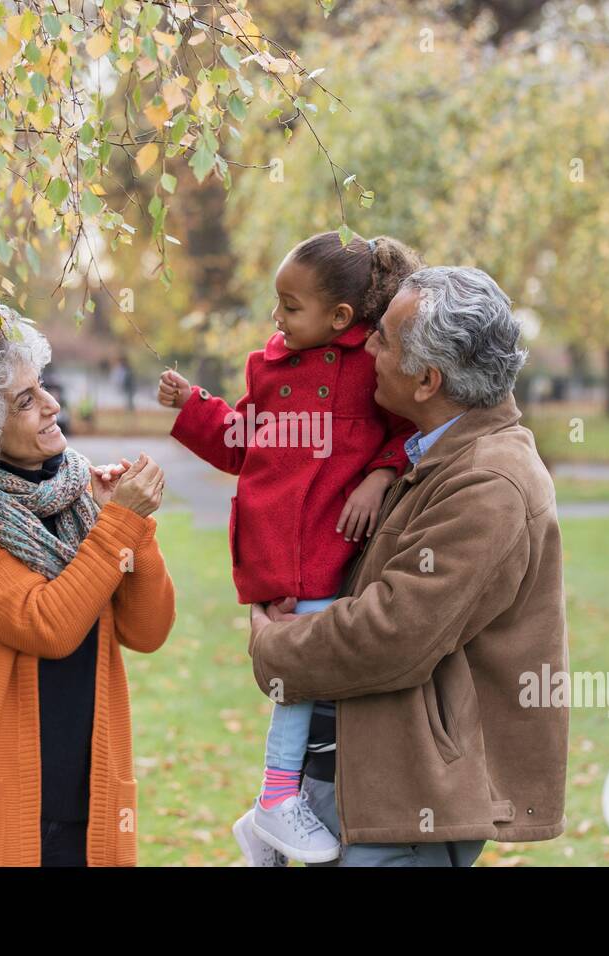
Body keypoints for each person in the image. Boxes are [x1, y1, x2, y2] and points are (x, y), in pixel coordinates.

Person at [249, 266, 569, 866]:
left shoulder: (488, 484)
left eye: (384, 339)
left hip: (408, 807)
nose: (366, 344)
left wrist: (276, 648)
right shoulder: (432, 456)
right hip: (366, 783)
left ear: (427, 380)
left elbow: (392, 635)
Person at [159, 232, 422, 864]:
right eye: (277, 303)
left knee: (321, 678)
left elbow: (407, 430)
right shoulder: (269, 368)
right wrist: (194, 405)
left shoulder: (372, 366)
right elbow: (236, 443)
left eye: (290, 305)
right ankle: (277, 797)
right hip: (280, 545)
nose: (277, 316)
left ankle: (275, 811)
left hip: (334, 546)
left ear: (340, 317)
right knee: (303, 667)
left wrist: (380, 475)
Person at [0, 304, 175, 866]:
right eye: (25, 401)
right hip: (0, 792)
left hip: (88, 787)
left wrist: (132, 528)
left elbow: (148, 630)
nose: (52, 405)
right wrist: (120, 524)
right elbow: (49, 625)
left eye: (40, 386)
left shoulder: (78, 496)